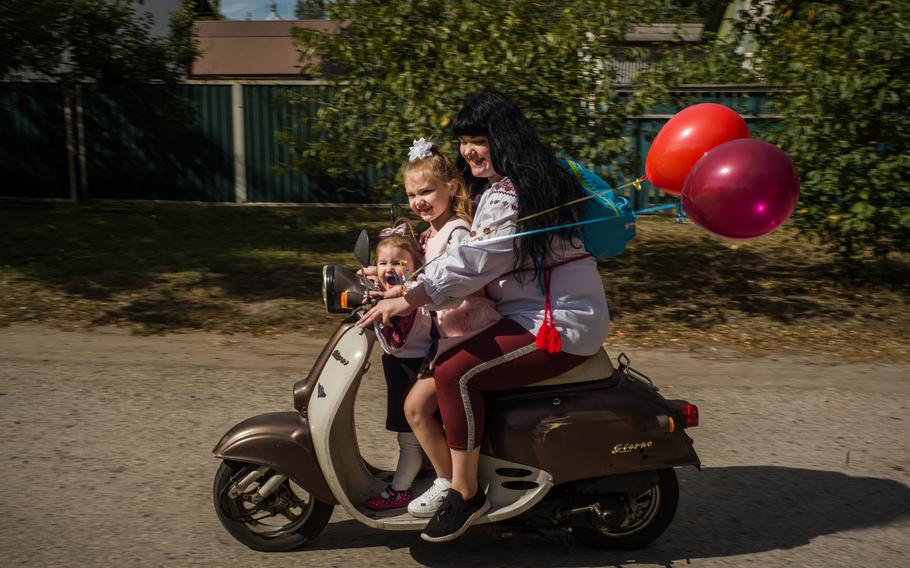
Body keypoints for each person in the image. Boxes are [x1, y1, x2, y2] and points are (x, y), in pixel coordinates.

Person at [358, 90, 610, 542]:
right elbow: (463, 260)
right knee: (448, 370)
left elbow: (477, 262)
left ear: (503, 137)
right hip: (530, 315)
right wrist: (401, 284)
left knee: (457, 374)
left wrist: (409, 299)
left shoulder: (511, 194)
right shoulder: (513, 186)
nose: (468, 151)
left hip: (554, 322)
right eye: (463, 140)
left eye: (478, 139)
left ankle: (466, 490)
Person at [377, 138, 501, 518]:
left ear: (452, 186)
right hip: (448, 332)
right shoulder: (433, 233)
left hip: (467, 328)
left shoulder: (457, 233)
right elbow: (419, 276)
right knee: (420, 407)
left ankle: (449, 481)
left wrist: (408, 295)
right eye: (412, 194)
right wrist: (382, 281)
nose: (419, 200)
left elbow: (451, 286)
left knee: (414, 407)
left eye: (427, 190)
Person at [364, 222, 430, 510]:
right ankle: (413, 476)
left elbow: (398, 333)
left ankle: (400, 490)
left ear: (416, 267)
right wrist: (371, 277)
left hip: (412, 370)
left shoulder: (411, 299)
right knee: (411, 439)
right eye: (383, 263)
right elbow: (388, 281)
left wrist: (389, 294)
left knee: (409, 439)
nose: (389, 268)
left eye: (400, 262)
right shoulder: (393, 290)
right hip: (401, 369)